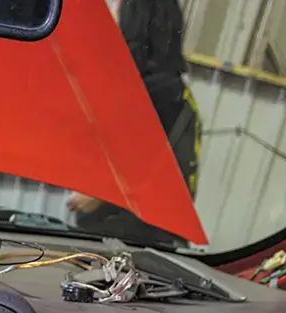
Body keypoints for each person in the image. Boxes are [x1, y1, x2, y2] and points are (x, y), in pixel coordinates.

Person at [68, 0, 200, 248]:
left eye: (117, 8)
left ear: (138, 21)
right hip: (136, 238)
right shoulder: (168, 88)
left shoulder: (152, 93)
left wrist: (99, 194)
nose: (109, 15)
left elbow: (147, 163)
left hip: (131, 244)